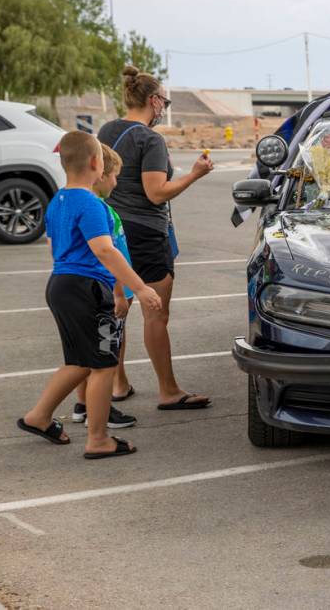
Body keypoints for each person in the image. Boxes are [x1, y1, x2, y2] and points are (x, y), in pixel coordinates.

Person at [16, 131, 162, 458]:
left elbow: (54, 247)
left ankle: (38, 417)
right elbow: (105, 251)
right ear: (97, 163)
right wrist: (139, 287)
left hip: (60, 285)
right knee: (103, 363)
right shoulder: (92, 204)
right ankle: (98, 439)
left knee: (80, 361)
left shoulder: (57, 202)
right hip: (87, 289)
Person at [97, 66, 214, 410]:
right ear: (153, 100)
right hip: (147, 235)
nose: (164, 106)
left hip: (115, 229)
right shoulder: (150, 139)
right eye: (164, 100)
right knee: (155, 313)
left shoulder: (107, 129)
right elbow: (156, 193)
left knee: (118, 309)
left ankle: (118, 384)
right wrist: (195, 174)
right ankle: (168, 390)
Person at [71, 143, 138, 429]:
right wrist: (120, 294)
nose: (116, 182)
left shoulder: (79, 206)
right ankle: (102, 410)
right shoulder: (99, 211)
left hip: (84, 291)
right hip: (107, 294)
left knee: (88, 351)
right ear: (99, 174)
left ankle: (82, 405)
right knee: (106, 351)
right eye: (114, 176)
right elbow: (108, 256)